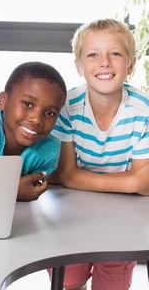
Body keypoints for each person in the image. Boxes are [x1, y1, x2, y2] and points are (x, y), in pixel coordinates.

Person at [51, 19, 149, 290]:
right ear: (79, 67)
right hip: (73, 212)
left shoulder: (143, 111)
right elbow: (65, 173)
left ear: (130, 64)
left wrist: (74, 177)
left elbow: (145, 185)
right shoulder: (67, 106)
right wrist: (130, 182)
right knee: (69, 281)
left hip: (124, 217)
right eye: (93, 54)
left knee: (112, 285)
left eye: (115, 53)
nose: (104, 62)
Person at [0, 62, 67, 201]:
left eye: (50, 113)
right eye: (28, 104)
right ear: (2, 101)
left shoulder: (49, 149)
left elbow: (29, 189)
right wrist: (11, 191)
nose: (37, 119)